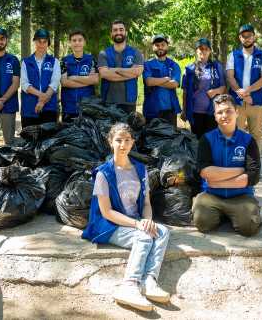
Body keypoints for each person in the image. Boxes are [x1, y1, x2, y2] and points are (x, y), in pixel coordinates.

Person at [82, 123, 170, 312]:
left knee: (162, 231)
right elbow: (106, 212)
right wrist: (138, 225)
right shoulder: (103, 173)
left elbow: (146, 203)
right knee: (144, 236)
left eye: (127, 140)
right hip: (108, 225)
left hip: (134, 222)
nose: (123, 145)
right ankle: (128, 286)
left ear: (133, 143)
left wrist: (146, 220)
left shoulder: (140, 169)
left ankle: (149, 280)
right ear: (110, 142)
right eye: (118, 140)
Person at [192, 94, 262, 237]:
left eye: (228, 111)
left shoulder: (248, 140)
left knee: (249, 228)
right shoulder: (206, 139)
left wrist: (217, 182)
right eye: (220, 112)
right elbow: (205, 172)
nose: (224, 115)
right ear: (215, 116)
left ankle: (235, 214)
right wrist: (240, 170)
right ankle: (225, 214)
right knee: (202, 223)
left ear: (237, 112)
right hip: (212, 195)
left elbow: (253, 177)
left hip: (241, 196)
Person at [226, 24, 262, 150]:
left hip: (256, 102)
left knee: (256, 135)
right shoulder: (233, 55)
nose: (246, 38)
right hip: (237, 102)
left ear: (254, 36)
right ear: (240, 38)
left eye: (249, 35)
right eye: (243, 36)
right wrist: (242, 94)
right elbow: (230, 77)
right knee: (237, 134)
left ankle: (255, 167)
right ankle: (237, 166)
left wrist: (248, 92)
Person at [181, 38, 226, 138]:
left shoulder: (217, 67)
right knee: (197, 141)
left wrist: (215, 91)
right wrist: (184, 111)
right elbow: (185, 91)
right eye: (201, 49)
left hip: (213, 111)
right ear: (196, 51)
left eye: (206, 49)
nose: (203, 51)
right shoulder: (189, 68)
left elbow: (223, 88)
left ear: (210, 51)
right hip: (195, 112)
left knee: (211, 141)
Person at [98, 20, 144, 114]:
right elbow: (104, 74)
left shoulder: (136, 52)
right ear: (111, 33)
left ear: (125, 32)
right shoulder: (104, 53)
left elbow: (137, 72)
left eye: (121, 29)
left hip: (129, 102)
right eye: (115, 30)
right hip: (108, 101)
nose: (118, 32)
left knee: (127, 129)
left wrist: (114, 71)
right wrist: (129, 72)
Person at [20, 28, 61, 127]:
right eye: (39, 41)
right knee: (29, 140)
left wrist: (42, 101)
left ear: (48, 43)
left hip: (49, 109)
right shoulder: (26, 62)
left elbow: (55, 83)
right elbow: (25, 84)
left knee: (48, 140)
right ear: (34, 42)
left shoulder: (54, 61)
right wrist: (42, 96)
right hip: (29, 108)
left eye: (44, 42)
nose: (41, 44)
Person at [142, 35, 181, 126]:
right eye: (157, 45)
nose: (160, 47)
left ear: (167, 46)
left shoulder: (174, 65)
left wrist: (155, 82)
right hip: (152, 110)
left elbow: (174, 84)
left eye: (163, 45)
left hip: (170, 110)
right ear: (153, 47)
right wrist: (166, 79)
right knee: (152, 138)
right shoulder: (147, 65)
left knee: (171, 138)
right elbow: (148, 81)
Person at [60, 30, 99, 122]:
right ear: (70, 43)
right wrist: (87, 80)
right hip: (69, 107)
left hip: (87, 107)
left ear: (84, 42)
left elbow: (95, 80)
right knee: (69, 136)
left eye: (80, 40)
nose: (77, 43)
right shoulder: (64, 61)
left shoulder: (92, 60)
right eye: (74, 40)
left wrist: (73, 77)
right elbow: (64, 82)